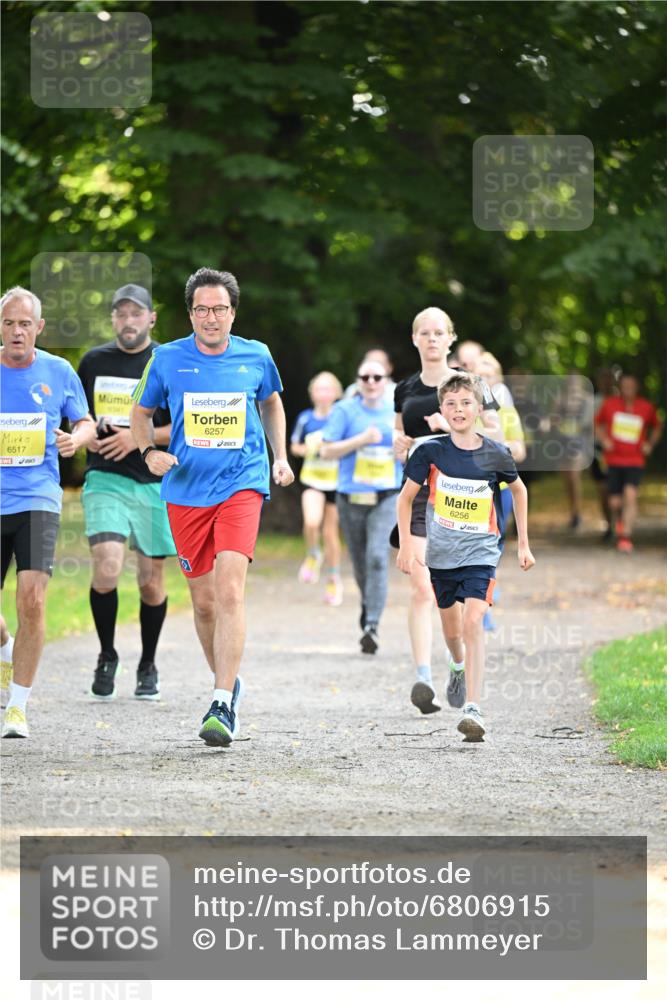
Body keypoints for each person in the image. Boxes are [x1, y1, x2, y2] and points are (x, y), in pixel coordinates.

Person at [130, 267, 294, 747]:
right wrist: (148, 453)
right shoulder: (166, 359)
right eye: (201, 309)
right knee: (203, 604)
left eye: (219, 308)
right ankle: (229, 680)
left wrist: (279, 456)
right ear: (190, 314)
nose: (210, 317)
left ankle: (221, 699)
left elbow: (272, 403)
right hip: (184, 490)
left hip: (241, 483)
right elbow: (140, 414)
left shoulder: (256, 355)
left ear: (233, 312)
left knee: (229, 591)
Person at [396, 373, 535, 741]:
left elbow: (519, 492)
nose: (458, 410)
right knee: (453, 630)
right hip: (441, 555)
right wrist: (409, 545)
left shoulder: (495, 453)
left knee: (474, 621)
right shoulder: (429, 452)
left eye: (466, 403)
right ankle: (457, 664)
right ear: (441, 409)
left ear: (478, 408)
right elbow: (405, 498)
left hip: (481, 551)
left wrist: (523, 543)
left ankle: (474, 707)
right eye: (451, 404)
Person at [393, 308, 502, 714]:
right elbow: (397, 438)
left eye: (440, 332)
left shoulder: (472, 385)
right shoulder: (403, 389)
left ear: (451, 338)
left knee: (455, 605)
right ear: (415, 339)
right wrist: (400, 445)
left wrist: (450, 427)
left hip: (465, 496)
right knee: (421, 588)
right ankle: (423, 676)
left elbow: (498, 436)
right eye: (425, 332)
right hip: (420, 494)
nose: (433, 339)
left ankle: (457, 663)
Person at [0, 286, 95, 738]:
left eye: (24, 324)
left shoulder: (58, 371)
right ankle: (6, 648)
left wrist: (75, 440)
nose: (17, 331)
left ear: (38, 328)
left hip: (38, 496)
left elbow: (86, 422)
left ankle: (17, 706)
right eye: (8, 323)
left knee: (32, 599)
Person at [77, 284, 176, 702]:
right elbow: (77, 417)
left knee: (151, 584)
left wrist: (138, 437)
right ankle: (106, 654)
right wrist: (88, 438)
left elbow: (185, 427)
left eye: (137, 313)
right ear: (113, 319)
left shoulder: (167, 362)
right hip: (105, 479)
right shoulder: (94, 361)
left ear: (151, 318)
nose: (128, 320)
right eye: (121, 313)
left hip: (153, 481)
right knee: (108, 566)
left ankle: (148, 663)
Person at [320, 358, 402, 654]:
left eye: (376, 377)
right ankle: (369, 605)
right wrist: (361, 440)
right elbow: (326, 450)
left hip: (387, 495)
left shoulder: (397, 410)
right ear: (357, 380)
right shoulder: (345, 410)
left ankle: (372, 625)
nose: (370, 382)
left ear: (385, 379)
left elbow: (413, 447)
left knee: (378, 557)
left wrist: (403, 449)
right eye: (364, 376)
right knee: (359, 561)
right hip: (350, 497)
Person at [290, 371, 344, 605]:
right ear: (312, 393)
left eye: (328, 389)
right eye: (319, 389)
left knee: (330, 534)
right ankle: (313, 553)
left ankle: (333, 579)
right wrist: (310, 449)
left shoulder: (342, 417)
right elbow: (295, 447)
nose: (323, 394)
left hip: (337, 482)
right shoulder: (305, 418)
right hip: (312, 479)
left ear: (336, 393)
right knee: (311, 522)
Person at [595, 373, 662, 553]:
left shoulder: (646, 407)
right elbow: (598, 424)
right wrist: (604, 439)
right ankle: (619, 526)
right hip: (613, 459)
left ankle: (626, 536)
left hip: (635, 460)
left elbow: (657, 426)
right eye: (624, 386)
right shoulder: (609, 405)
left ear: (636, 387)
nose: (627, 390)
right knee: (615, 502)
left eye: (631, 386)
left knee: (630, 494)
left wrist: (649, 444)